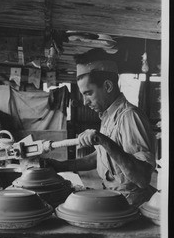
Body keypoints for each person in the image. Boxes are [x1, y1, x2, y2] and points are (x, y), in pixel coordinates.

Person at [44, 49, 157, 207]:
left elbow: (142, 178)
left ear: (108, 86)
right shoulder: (108, 116)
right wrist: (62, 166)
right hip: (113, 196)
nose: (85, 102)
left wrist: (104, 141)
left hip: (131, 204)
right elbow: (102, 156)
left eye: (88, 93)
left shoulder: (129, 116)